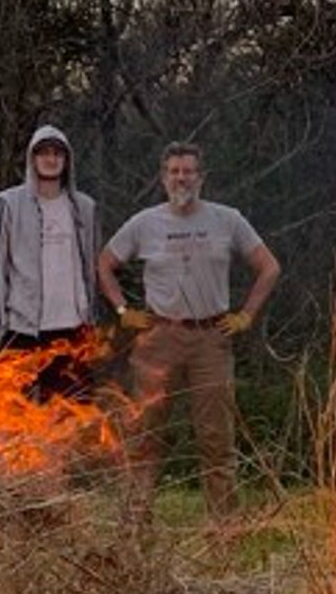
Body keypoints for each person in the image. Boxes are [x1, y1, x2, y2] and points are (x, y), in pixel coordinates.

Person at [97, 141, 280, 519]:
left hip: (211, 338)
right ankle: (135, 520)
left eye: (188, 171)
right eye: (174, 172)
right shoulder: (144, 223)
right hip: (158, 337)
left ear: (201, 177)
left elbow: (269, 267)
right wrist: (121, 309)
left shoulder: (227, 219)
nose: (182, 178)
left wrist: (246, 314)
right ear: (164, 178)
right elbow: (104, 263)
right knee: (144, 432)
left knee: (215, 436)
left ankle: (224, 525)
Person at [0, 125, 100, 400]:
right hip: (22, 329)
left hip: (73, 330)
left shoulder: (85, 207)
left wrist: (91, 319)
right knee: (10, 418)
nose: (51, 159)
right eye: (44, 153)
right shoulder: (7, 204)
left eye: (57, 153)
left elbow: (91, 268)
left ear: (67, 160)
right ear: (32, 159)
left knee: (72, 418)